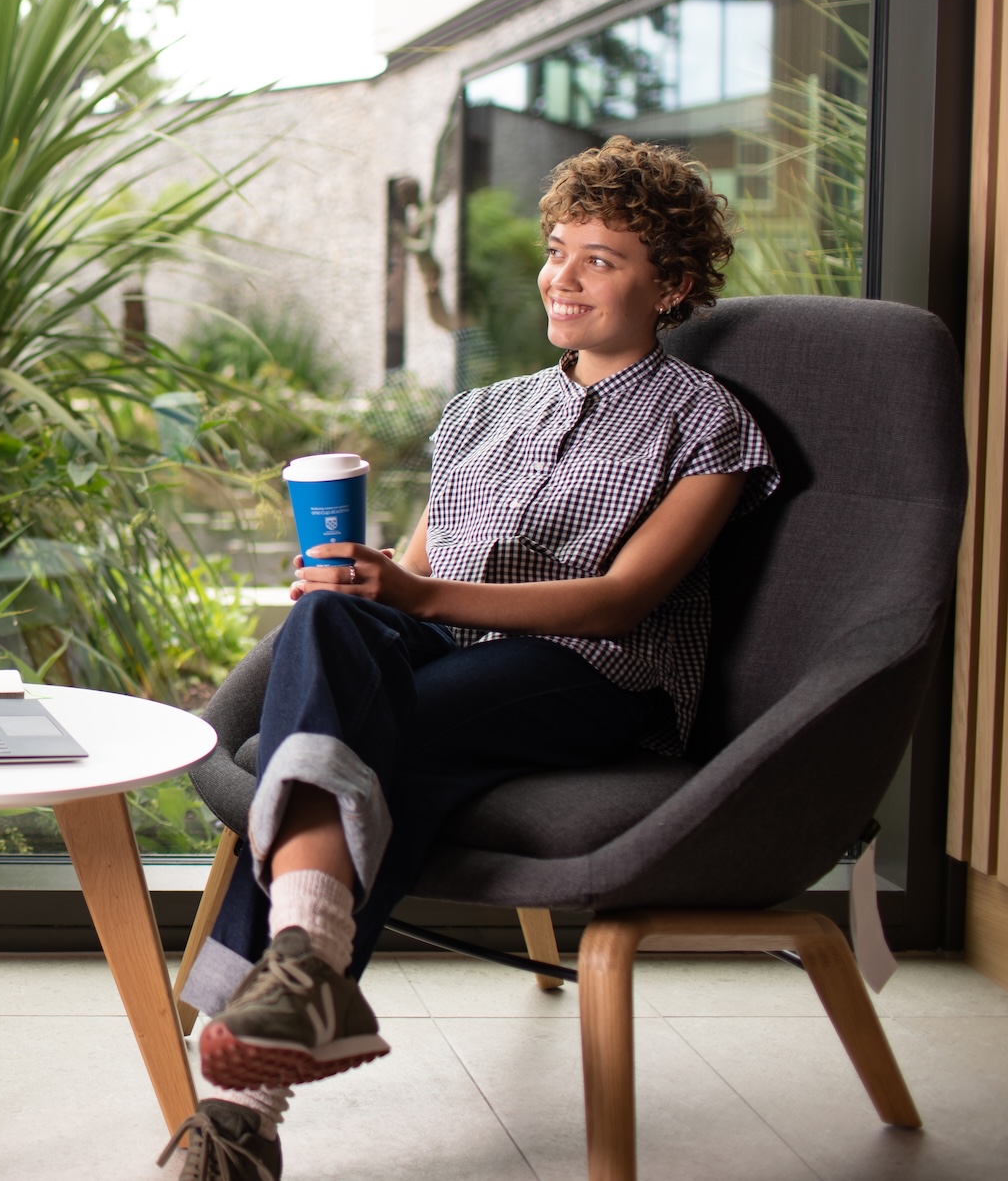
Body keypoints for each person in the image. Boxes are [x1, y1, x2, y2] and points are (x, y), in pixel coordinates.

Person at [160, 137, 778, 1181]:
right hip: (457, 658)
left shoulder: (706, 425)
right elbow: (408, 581)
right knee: (329, 622)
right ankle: (303, 969)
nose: (562, 275)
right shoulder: (483, 414)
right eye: (555, 249)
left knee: (350, 741)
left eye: (601, 258)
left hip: (591, 678)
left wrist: (413, 595)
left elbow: (625, 603)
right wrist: (364, 588)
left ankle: (240, 1111)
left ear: (669, 284)